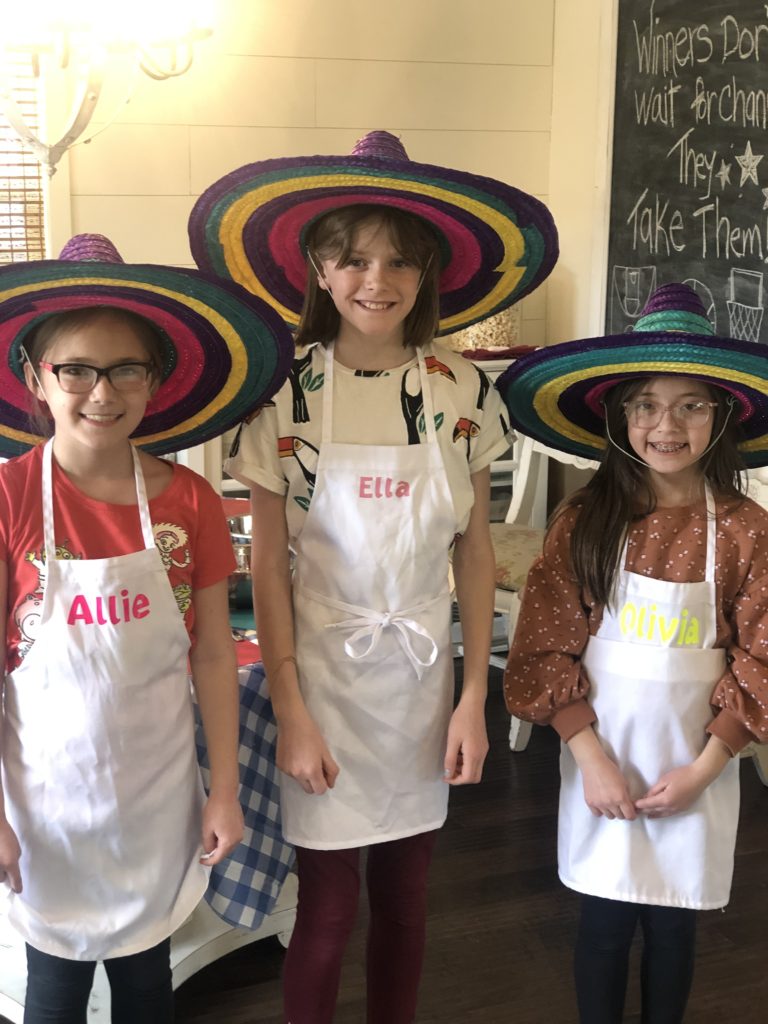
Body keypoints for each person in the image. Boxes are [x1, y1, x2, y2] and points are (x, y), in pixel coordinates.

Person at [188, 130, 558, 1023]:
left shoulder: (461, 390)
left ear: (428, 273)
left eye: (399, 261)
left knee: (406, 898)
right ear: (318, 268)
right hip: (321, 676)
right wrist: (295, 709)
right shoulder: (286, 395)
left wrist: (477, 695)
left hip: (423, 684)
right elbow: (267, 565)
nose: (376, 280)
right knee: (325, 912)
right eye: (353, 259)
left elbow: (472, 551)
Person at [0, 233, 294, 1023]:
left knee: (144, 985)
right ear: (36, 376)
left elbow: (210, 658)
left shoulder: (188, 501)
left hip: (156, 796)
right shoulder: (9, 499)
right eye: (76, 370)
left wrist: (224, 789)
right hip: (44, 804)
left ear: (155, 380)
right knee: (54, 992)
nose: (102, 392)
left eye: (126, 368)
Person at [499, 282, 768, 1024]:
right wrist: (590, 758)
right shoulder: (586, 521)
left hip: (696, 770)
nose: (667, 424)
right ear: (619, 418)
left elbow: (760, 660)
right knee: (605, 925)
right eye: (646, 404)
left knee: (676, 924)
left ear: (724, 415)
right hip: (602, 762)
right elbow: (545, 648)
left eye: (691, 404)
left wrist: (707, 770)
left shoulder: (747, 531)